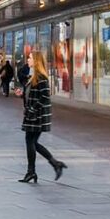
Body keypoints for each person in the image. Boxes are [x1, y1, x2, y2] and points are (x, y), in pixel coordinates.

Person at [20, 52, 66, 183]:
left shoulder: (41, 77)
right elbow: (33, 94)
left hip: (37, 116)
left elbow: (45, 96)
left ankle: (32, 172)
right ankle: (54, 164)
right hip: (33, 115)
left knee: (30, 142)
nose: (28, 60)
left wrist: (33, 108)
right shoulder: (34, 76)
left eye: (29, 58)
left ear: (36, 60)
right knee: (32, 142)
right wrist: (21, 94)